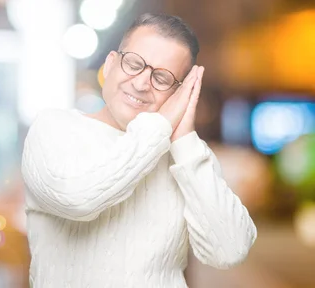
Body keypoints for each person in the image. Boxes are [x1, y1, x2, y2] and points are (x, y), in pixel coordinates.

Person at [21, 13, 257, 287]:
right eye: (134, 64)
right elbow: (78, 198)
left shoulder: (187, 156)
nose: (142, 83)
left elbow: (229, 250)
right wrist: (160, 126)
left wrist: (185, 140)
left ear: (181, 93)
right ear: (110, 64)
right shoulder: (54, 128)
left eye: (162, 77)